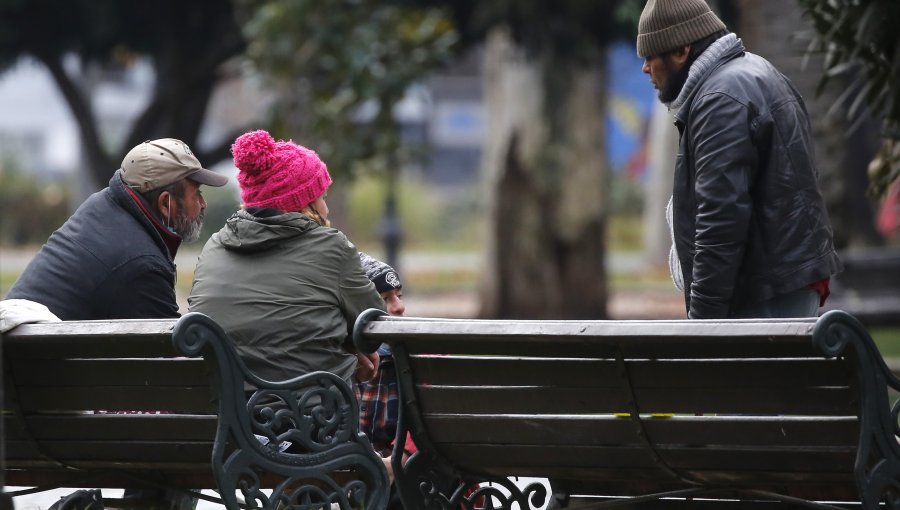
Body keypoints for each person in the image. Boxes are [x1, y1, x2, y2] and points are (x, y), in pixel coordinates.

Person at [637, 0, 842, 319]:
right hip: (783, 280)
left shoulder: (720, 98)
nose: (645, 68)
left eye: (651, 56)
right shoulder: (753, 73)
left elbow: (721, 214)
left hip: (764, 290)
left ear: (680, 52)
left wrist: (703, 318)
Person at [187, 129, 383, 388]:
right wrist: (348, 348)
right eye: (321, 197)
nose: (326, 207)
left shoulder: (214, 247)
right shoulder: (331, 247)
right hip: (313, 417)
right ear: (304, 204)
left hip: (225, 418)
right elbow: (371, 327)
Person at [7, 138, 227, 320]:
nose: (203, 203)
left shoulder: (100, 207)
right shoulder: (141, 264)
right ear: (164, 204)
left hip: (23, 362)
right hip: (43, 369)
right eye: (197, 193)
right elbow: (172, 355)